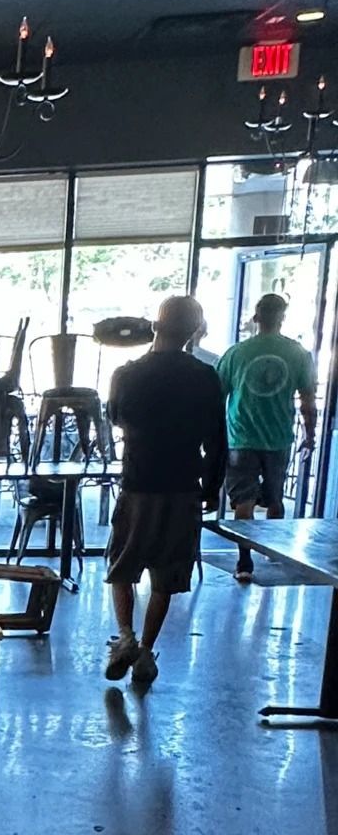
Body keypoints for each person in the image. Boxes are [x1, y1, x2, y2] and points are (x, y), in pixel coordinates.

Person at [102, 293, 226, 687]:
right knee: (165, 576)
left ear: (156, 326)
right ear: (194, 332)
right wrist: (212, 486)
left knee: (122, 566)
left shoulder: (127, 374)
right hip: (183, 486)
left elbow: (115, 416)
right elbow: (217, 439)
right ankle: (145, 654)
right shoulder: (205, 377)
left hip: (138, 483)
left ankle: (125, 637)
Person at [215, 292, 317, 582]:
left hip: (241, 438)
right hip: (278, 438)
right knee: (275, 499)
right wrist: (309, 436)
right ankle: (273, 550)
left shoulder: (236, 353)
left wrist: (212, 438)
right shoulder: (298, 354)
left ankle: (244, 563)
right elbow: (307, 401)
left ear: (256, 317)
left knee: (243, 503)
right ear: (282, 317)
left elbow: (216, 397)